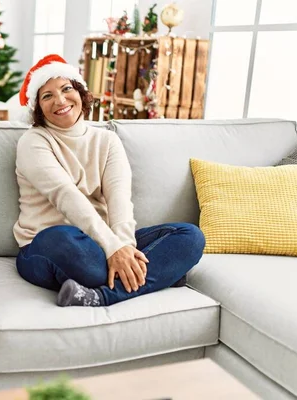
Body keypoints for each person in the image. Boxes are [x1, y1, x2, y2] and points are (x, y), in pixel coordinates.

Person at [13, 54, 205, 307]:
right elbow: (66, 196)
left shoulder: (107, 141)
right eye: (47, 96)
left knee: (190, 236)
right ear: (37, 107)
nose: (60, 100)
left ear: (80, 92)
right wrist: (113, 250)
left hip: (102, 243)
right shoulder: (33, 141)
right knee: (63, 239)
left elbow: (119, 198)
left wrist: (123, 247)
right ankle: (159, 274)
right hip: (48, 248)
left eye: (66, 88)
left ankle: (100, 296)